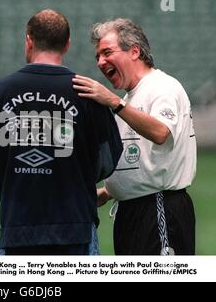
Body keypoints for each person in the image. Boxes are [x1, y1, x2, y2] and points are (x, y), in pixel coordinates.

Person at [0, 9, 123, 255]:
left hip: (18, 225)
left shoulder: (3, 90)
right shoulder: (87, 90)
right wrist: (77, 179)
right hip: (76, 226)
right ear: (67, 44)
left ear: (29, 40)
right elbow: (108, 159)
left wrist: (18, 183)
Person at [73, 18, 197, 255]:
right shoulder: (130, 99)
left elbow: (161, 132)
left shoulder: (162, 87)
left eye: (107, 52)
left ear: (134, 51)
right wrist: (110, 191)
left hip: (159, 207)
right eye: (97, 56)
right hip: (131, 212)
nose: (100, 62)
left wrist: (113, 102)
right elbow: (142, 156)